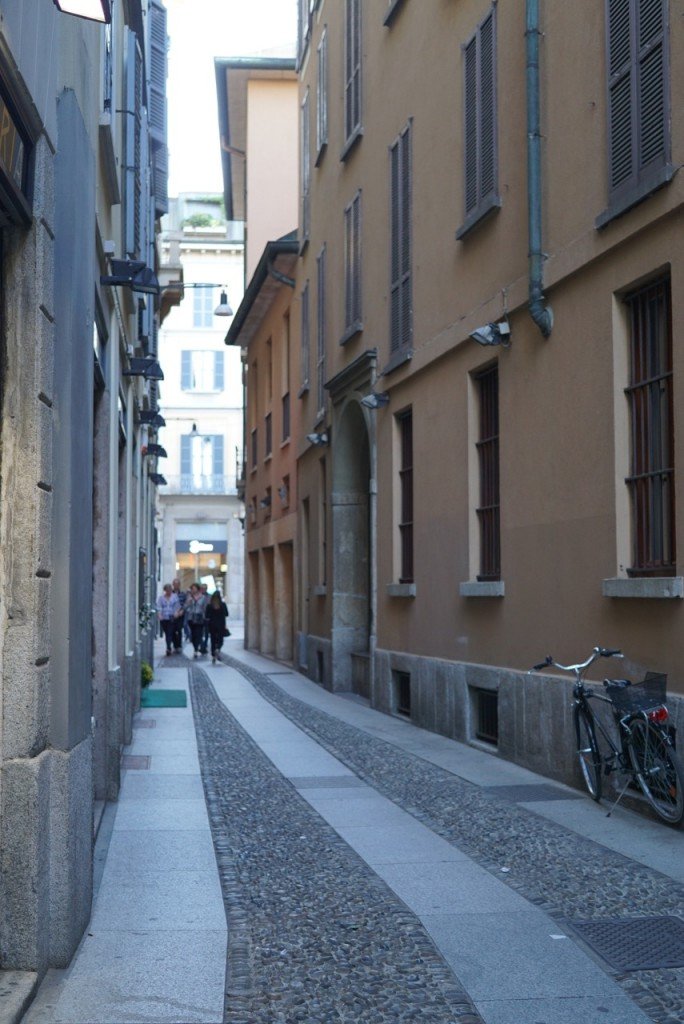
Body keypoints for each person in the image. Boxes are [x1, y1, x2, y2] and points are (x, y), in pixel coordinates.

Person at [184, 582, 208, 658]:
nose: (193, 590)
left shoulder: (203, 597)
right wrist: (188, 602)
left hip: (200, 618)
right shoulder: (189, 597)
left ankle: (198, 648)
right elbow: (185, 607)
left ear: (198, 589)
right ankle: (196, 648)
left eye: (194, 589)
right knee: (193, 635)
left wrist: (206, 616)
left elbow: (205, 608)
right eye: (192, 589)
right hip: (191, 618)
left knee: (199, 634)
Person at [205, 590, 229, 664]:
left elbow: (206, 616)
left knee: (213, 639)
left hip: (212, 625)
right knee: (220, 639)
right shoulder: (223, 605)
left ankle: (213, 654)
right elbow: (226, 614)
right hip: (221, 624)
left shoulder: (209, 606)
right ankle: (218, 648)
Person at [156, 584, 180, 655]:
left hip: (171, 617)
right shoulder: (161, 598)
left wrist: (176, 612)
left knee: (169, 633)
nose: (168, 591)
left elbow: (177, 606)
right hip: (164, 618)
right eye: (167, 590)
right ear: (165, 590)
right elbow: (159, 607)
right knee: (167, 633)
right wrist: (159, 615)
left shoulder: (174, 597)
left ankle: (168, 647)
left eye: (169, 590)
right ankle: (173, 644)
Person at [171, 578, 186, 652]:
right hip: (172, 614)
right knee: (173, 630)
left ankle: (179, 645)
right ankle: (175, 644)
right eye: (174, 584)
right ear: (173, 585)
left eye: (177, 584)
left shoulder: (183, 594)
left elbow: (184, 604)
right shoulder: (170, 594)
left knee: (179, 629)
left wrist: (181, 611)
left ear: (179, 585)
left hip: (180, 615)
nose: (176, 586)